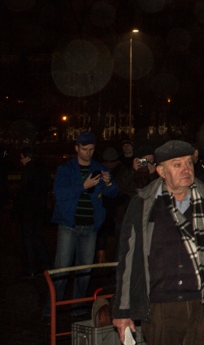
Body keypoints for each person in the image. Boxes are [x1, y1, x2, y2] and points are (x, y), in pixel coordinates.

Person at [112, 140, 204, 345]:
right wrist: (122, 310)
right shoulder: (143, 205)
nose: (186, 169)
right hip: (161, 305)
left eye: (189, 163)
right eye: (177, 165)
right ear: (161, 171)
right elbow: (127, 257)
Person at [47, 131, 119, 317]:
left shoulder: (99, 168)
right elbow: (60, 194)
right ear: (77, 148)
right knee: (62, 269)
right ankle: (51, 309)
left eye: (91, 149)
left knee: (84, 270)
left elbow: (113, 193)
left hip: (90, 227)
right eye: (84, 149)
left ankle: (77, 307)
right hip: (69, 226)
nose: (88, 153)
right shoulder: (66, 169)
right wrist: (83, 186)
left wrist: (109, 184)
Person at [13, 146, 51, 278]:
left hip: (28, 210)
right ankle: (45, 264)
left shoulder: (28, 170)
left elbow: (23, 191)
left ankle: (31, 268)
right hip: (40, 209)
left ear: (27, 157)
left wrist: (17, 209)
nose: (21, 161)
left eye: (22, 158)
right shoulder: (42, 168)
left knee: (29, 238)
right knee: (37, 236)